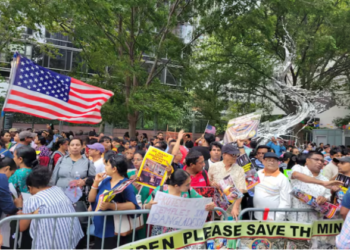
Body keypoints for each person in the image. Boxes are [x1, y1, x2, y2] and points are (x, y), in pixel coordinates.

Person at [18, 167, 84, 249]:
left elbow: (21, 227)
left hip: (50, 245)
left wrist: (20, 207)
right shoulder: (58, 190)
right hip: (71, 240)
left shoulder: (33, 200)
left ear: (30, 187)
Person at [88, 154, 140, 249]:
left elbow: (133, 205)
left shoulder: (126, 184)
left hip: (114, 230)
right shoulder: (105, 181)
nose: (105, 167)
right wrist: (95, 183)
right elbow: (91, 199)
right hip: (99, 227)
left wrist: (111, 206)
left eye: (107, 165)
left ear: (114, 169)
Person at [145, 169, 216, 236]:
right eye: (187, 185)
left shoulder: (189, 191)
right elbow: (145, 206)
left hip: (182, 234)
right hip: (161, 234)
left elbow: (204, 202)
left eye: (189, 183)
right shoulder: (160, 190)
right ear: (176, 186)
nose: (189, 186)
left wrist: (211, 205)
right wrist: (149, 206)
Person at [290, 151, 342, 222]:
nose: (320, 162)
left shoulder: (324, 179)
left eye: (322, 161)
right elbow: (296, 175)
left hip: (316, 220)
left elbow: (328, 197)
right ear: (307, 160)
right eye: (316, 159)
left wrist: (324, 199)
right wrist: (322, 183)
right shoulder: (299, 169)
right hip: (296, 218)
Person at [208, 144, 247, 219]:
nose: (235, 157)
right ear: (224, 154)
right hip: (217, 207)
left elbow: (241, 189)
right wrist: (213, 184)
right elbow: (208, 182)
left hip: (233, 208)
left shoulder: (239, 169)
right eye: (232, 155)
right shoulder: (214, 167)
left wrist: (236, 207)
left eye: (236, 155)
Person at [253, 152, 292, 220]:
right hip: (257, 216)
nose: (271, 162)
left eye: (274, 160)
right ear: (263, 161)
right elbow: (252, 189)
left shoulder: (283, 179)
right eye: (269, 160)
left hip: (273, 219)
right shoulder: (258, 174)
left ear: (278, 163)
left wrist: (277, 218)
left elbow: (286, 202)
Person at [127, 150, 149, 240]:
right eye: (133, 159)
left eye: (138, 159)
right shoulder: (128, 174)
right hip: (131, 214)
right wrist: (129, 182)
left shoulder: (152, 177)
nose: (135, 162)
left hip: (146, 214)